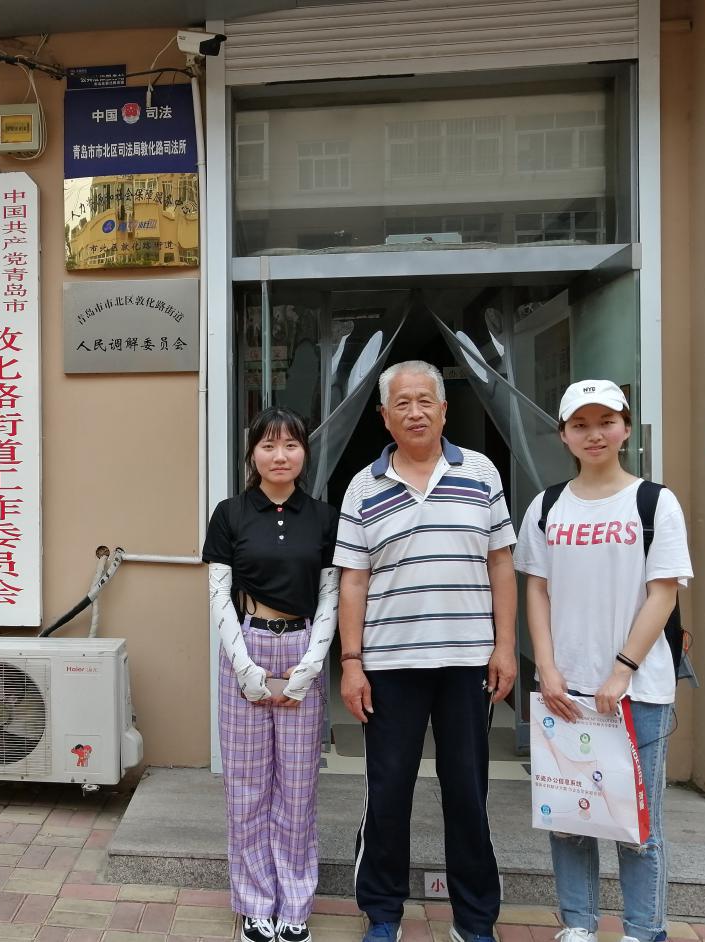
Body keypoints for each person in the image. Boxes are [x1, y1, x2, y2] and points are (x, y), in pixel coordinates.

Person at [334, 360, 516, 942]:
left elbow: (501, 564)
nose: (415, 412)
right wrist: (351, 663)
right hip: (390, 666)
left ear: (443, 409)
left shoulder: (481, 472)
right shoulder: (363, 486)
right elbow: (352, 581)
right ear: (384, 417)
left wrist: (506, 647)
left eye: (424, 401)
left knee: (468, 792)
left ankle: (475, 920)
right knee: (388, 792)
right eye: (402, 403)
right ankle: (383, 913)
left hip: (467, 663)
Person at [513, 380, 692, 942]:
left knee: (639, 824)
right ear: (564, 435)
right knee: (569, 817)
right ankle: (578, 926)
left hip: (638, 689)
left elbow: (663, 592)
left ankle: (643, 929)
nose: (594, 434)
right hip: (565, 688)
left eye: (606, 422)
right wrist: (547, 667)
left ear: (625, 428)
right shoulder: (547, 506)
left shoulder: (654, 502)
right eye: (581, 425)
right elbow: (536, 589)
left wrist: (621, 671)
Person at [203, 406, 340, 942]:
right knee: (246, 790)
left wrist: (311, 666)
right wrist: (244, 667)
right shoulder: (231, 513)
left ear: (304, 452)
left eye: (291, 445)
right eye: (268, 445)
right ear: (252, 453)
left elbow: (330, 595)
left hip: (303, 644)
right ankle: (256, 905)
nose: (279, 456)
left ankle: (295, 907)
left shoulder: (323, 517)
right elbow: (219, 595)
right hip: (247, 643)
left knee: (298, 791)